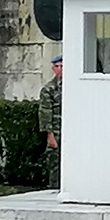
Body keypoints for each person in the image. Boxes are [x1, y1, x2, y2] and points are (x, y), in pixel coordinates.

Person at [38, 56, 61, 189]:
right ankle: (54, 187)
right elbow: (45, 111)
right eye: (57, 67)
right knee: (55, 162)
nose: (59, 70)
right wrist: (50, 134)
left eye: (62, 67)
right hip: (56, 130)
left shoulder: (73, 86)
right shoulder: (49, 89)